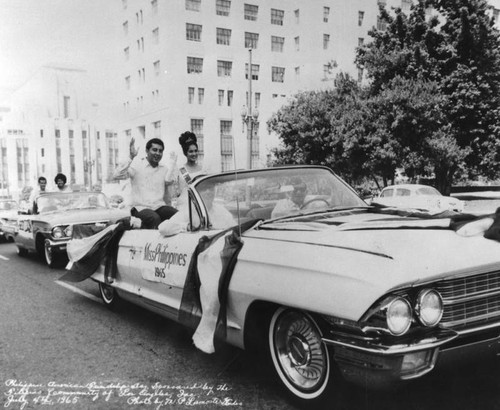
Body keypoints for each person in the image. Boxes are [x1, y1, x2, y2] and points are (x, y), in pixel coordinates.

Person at [113, 137, 177, 229]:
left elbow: (167, 194)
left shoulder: (164, 169)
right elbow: (116, 175)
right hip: (140, 208)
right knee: (154, 218)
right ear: (147, 151)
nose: (157, 153)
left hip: (159, 206)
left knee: (177, 216)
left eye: (160, 151)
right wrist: (130, 157)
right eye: (154, 150)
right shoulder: (137, 166)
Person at [158, 182, 234, 236]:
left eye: (210, 188)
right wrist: (187, 226)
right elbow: (163, 228)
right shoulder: (188, 211)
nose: (208, 192)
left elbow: (235, 228)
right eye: (204, 189)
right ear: (198, 192)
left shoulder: (221, 211)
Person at [166, 131, 208, 210]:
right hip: (185, 205)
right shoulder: (181, 169)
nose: (194, 154)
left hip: (201, 203)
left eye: (195, 151)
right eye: (191, 151)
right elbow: (167, 181)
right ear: (186, 153)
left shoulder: (203, 169)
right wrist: (172, 164)